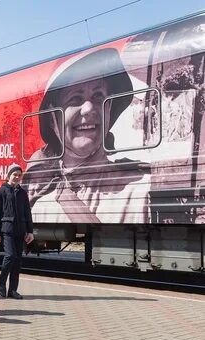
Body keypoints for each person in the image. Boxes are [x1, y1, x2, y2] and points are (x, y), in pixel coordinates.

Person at [24, 48, 150, 224]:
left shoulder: (141, 193)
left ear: (109, 107)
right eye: (75, 99)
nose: (89, 108)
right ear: (53, 118)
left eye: (98, 96)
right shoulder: (42, 206)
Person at [0, 164, 34, 299]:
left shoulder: (22, 193)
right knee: (10, 256)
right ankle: (1, 282)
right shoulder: (1, 191)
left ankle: (13, 290)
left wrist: (30, 231)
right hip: (7, 229)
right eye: (14, 174)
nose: (17, 177)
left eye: (19, 175)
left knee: (17, 261)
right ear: (8, 176)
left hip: (20, 230)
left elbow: (28, 213)